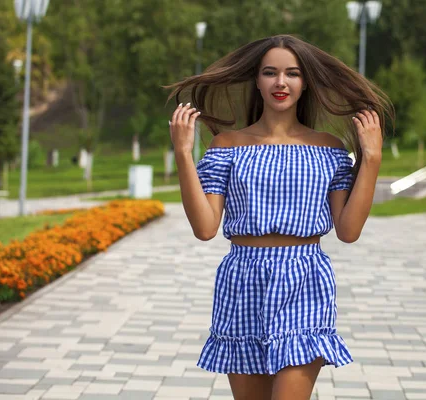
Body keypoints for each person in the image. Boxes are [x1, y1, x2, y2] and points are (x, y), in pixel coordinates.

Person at [165, 34, 393, 400]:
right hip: (242, 281)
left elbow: (348, 231)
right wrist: (182, 153)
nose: (281, 82)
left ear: (306, 82)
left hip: (304, 278)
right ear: (257, 80)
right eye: (270, 73)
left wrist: (372, 158)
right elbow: (206, 228)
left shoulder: (328, 149)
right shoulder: (228, 146)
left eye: (293, 73)